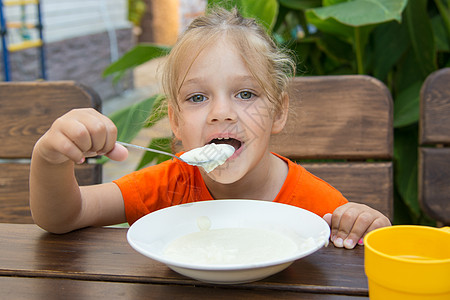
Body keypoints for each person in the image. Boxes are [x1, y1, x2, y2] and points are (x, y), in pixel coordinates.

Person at [29, 7, 390, 249]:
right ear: (175, 122)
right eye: (198, 98)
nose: (220, 112)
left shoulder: (314, 207)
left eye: (245, 93)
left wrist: (364, 227)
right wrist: (50, 158)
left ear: (278, 113)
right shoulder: (167, 185)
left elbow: (358, 252)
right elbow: (66, 216)